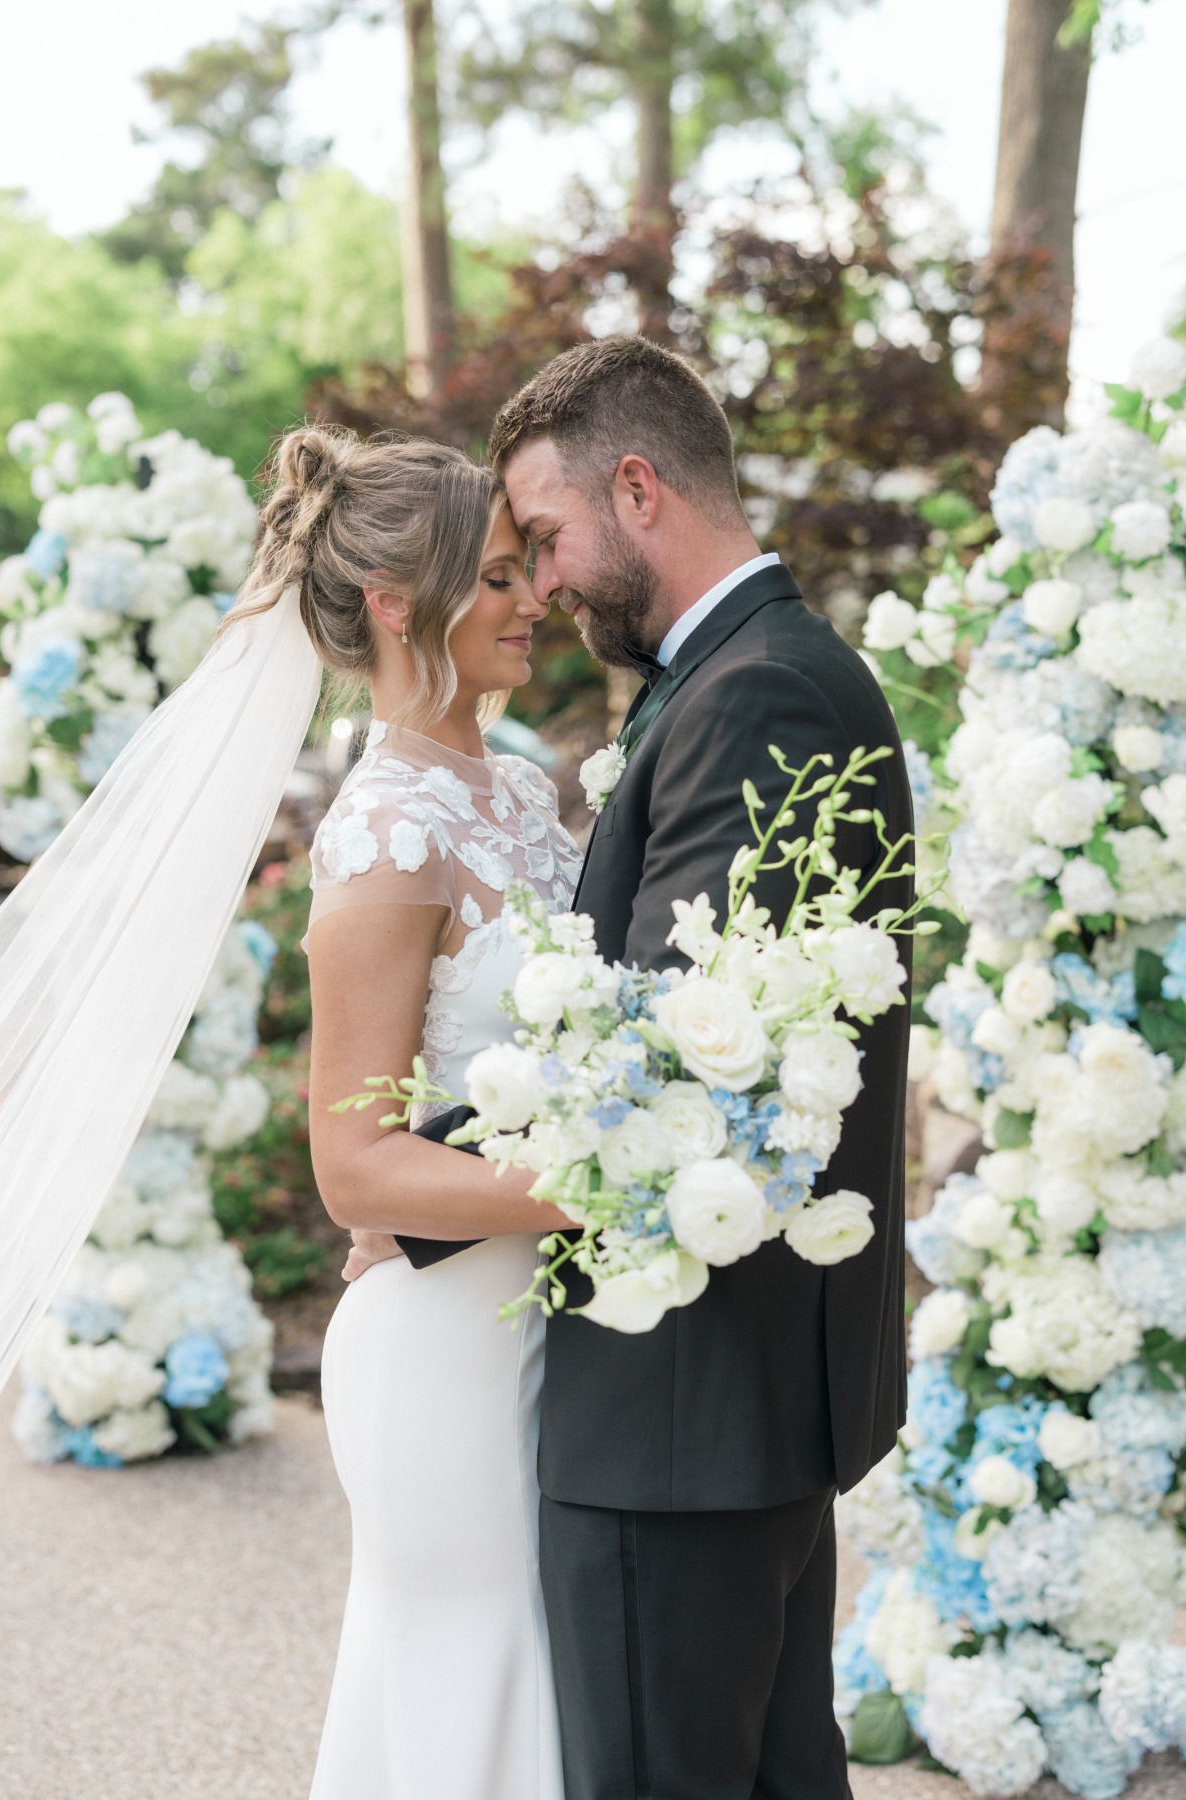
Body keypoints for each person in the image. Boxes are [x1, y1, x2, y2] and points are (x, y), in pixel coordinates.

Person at [353, 336, 914, 1800]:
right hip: (715, 1400)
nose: (536, 583)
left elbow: (671, 1066)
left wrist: (406, 1185)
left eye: (542, 537)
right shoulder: (747, 677)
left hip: (680, 1412)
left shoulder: (753, 697)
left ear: (640, 487)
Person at [287, 429, 583, 1799]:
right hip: (441, 1346)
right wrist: (604, 1181)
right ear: (402, 604)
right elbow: (354, 1165)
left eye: (532, 573)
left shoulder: (521, 792)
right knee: (466, 1683)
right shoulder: (384, 829)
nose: (538, 601)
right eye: (503, 576)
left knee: (547, 1681)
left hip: (550, 1324)